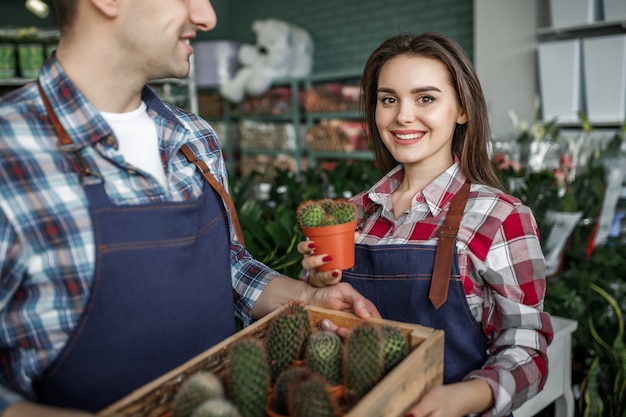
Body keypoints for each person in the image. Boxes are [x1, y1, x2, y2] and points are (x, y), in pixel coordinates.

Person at [0, 1, 380, 416]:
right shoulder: (11, 155)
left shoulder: (193, 139)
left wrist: (309, 295)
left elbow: (228, 267)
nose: (207, 17)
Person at [299, 32, 554, 417]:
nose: (402, 115)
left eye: (426, 98)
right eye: (388, 99)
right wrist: (314, 285)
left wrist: (465, 397)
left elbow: (527, 350)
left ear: (462, 109)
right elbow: (318, 322)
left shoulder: (500, 217)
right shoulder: (353, 214)